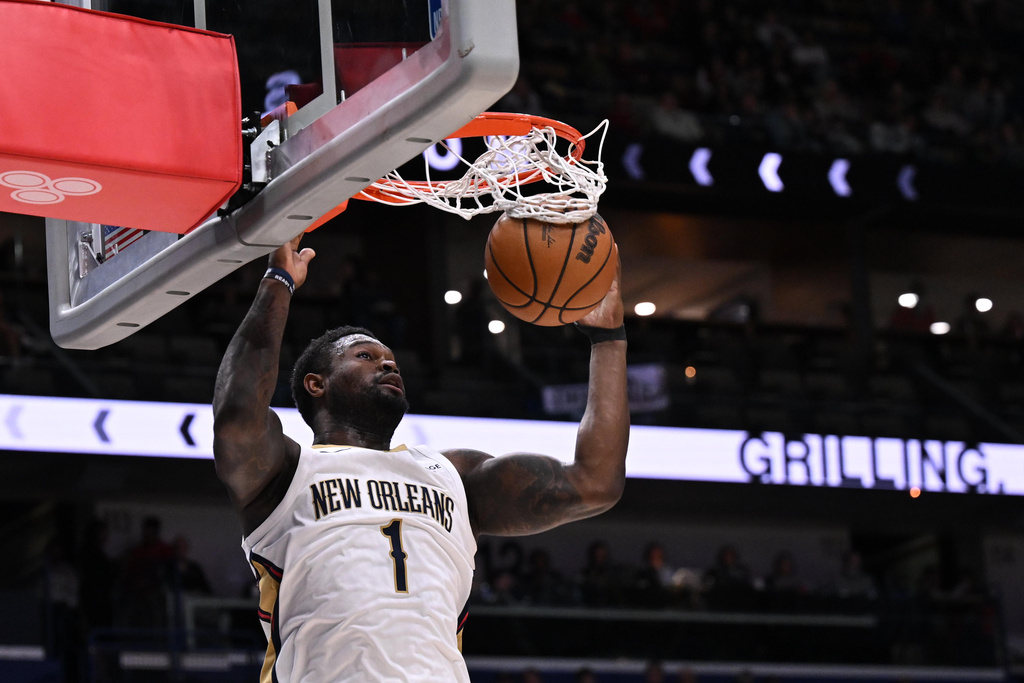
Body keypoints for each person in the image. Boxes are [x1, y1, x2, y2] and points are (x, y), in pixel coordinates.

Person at [212, 231, 630, 682]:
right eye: (365, 356)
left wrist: (609, 339)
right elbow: (237, 416)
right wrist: (277, 281)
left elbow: (595, 483)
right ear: (317, 384)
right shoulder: (286, 474)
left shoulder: (453, 475)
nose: (388, 364)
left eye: (391, 359)